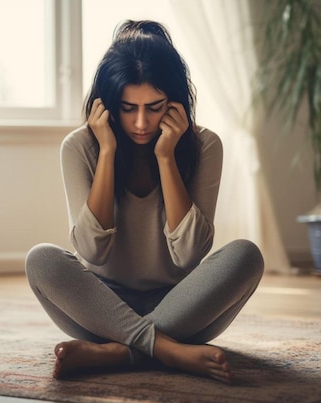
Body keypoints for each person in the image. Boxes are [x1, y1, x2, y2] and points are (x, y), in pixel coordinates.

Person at [25, 20, 264, 384]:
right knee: (40, 259)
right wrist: (106, 151)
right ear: (107, 105)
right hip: (102, 308)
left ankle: (117, 352)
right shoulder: (79, 147)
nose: (140, 123)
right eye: (127, 108)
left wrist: (166, 157)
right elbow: (92, 253)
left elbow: (188, 255)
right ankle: (167, 350)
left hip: (182, 305)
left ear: (175, 103)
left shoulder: (205, 146)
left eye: (154, 107)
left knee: (246, 255)